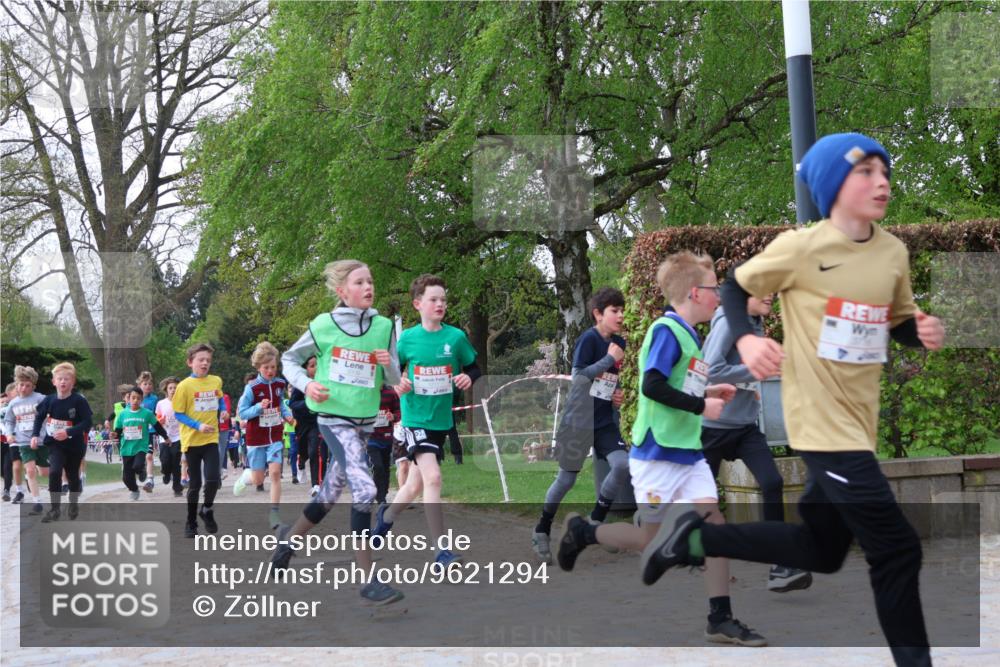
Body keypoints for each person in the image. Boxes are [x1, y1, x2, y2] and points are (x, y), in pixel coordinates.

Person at [641, 133, 945, 667]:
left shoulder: (892, 251)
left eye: (884, 172)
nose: (882, 182)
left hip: (858, 425)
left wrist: (916, 330)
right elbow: (734, 286)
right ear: (832, 186)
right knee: (897, 549)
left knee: (820, 552)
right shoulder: (801, 248)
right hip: (822, 423)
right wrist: (748, 338)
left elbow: (893, 320)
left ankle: (695, 540)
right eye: (866, 172)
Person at [557, 252, 766, 647]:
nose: (719, 293)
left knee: (715, 527)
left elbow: (677, 386)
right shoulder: (666, 331)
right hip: (656, 453)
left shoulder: (693, 335)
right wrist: (703, 405)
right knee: (650, 541)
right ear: (694, 292)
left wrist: (708, 390)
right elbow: (652, 385)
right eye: (713, 286)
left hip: (687, 453)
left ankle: (719, 618)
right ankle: (585, 532)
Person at [272, 259, 406, 609]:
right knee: (364, 489)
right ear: (342, 291)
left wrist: (387, 364)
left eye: (370, 281)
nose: (368, 287)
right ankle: (368, 581)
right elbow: (289, 360)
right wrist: (308, 383)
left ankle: (288, 542)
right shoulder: (323, 325)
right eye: (359, 282)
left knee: (331, 492)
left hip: (364, 422)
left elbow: (393, 378)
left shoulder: (383, 327)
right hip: (332, 419)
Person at [701, 293, 813, 593]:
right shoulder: (727, 324)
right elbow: (710, 369)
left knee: (772, 482)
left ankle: (779, 566)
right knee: (698, 499)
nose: (770, 295)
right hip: (711, 428)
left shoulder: (756, 324)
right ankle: (651, 525)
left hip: (744, 428)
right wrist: (755, 372)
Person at [371, 274, 481, 572]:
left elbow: (474, 366)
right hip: (414, 418)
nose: (440, 304)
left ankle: (386, 518)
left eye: (443, 299)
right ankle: (441, 552)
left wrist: (468, 376)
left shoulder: (455, 338)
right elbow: (387, 373)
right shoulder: (407, 339)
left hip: (441, 420)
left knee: (414, 485)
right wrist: (398, 383)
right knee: (433, 478)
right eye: (434, 299)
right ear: (418, 304)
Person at [531, 287, 629, 565]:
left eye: (622, 310)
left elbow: (606, 380)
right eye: (614, 310)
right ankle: (541, 528)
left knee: (622, 465)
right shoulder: (588, 339)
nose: (620, 315)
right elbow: (579, 378)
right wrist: (610, 358)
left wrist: (616, 394)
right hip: (579, 420)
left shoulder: (619, 341)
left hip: (604, 421)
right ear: (598, 314)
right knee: (567, 479)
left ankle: (594, 523)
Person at [235, 341, 294, 530]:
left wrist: (287, 415)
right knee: (258, 479)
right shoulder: (251, 388)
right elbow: (242, 413)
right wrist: (259, 408)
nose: (270, 370)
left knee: (276, 473)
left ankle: (274, 513)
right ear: (259, 367)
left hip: (275, 435)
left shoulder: (279, 384)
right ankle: (246, 476)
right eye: (266, 367)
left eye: (273, 367)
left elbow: (281, 404)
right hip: (256, 438)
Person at [172, 343, 228, 538]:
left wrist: (224, 410)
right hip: (191, 441)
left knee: (213, 479)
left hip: (211, 438)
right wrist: (198, 425)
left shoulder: (216, 381)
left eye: (208, 360)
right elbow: (178, 414)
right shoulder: (184, 386)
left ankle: (207, 509)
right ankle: (191, 522)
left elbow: (219, 397)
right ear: (190, 362)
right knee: (195, 485)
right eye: (201, 360)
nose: (205, 363)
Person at [31, 362, 92, 522]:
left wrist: (68, 432)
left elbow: (87, 423)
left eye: (67, 379)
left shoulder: (79, 401)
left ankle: (73, 504)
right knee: (55, 471)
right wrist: (35, 435)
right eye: (60, 379)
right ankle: (54, 509)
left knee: (72, 476)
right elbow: (39, 417)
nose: (63, 382)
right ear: (54, 382)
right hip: (55, 444)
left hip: (74, 445)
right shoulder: (49, 400)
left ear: (73, 382)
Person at [3, 367, 47, 513]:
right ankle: (37, 502)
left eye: (28, 385)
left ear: (33, 386)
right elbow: (9, 421)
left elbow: (51, 414)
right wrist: (9, 434)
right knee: (30, 470)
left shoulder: (40, 398)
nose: (24, 388)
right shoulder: (13, 403)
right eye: (21, 384)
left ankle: (65, 474)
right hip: (23, 441)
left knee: (45, 472)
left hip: (41, 441)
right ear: (17, 385)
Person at [114, 386, 168, 500]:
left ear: (141, 400)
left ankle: (141, 469)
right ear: (128, 399)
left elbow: (157, 426)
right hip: (126, 448)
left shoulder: (146, 413)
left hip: (140, 446)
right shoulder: (123, 414)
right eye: (133, 398)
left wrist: (166, 437)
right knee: (126, 478)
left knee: (137, 465)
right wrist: (114, 434)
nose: (135, 401)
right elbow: (118, 430)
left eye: (138, 398)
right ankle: (134, 490)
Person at [288, 357, 328, 497]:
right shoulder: (301, 384)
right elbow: (292, 404)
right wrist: (308, 403)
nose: (315, 368)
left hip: (318, 423)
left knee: (316, 452)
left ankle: (317, 484)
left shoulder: (325, 382)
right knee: (304, 452)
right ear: (306, 369)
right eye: (312, 365)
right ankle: (301, 462)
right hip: (302, 424)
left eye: (318, 364)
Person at [368, 385, 400, 505]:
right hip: (370, 437)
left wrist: (393, 416)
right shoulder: (366, 391)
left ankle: (383, 495)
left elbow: (399, 411)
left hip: (386, 436)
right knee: (378, 466)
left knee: (385, 467)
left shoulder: (391, 392)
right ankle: (378, 496)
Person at [156, 377, 184, 497]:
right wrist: (160, 420)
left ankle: (177, 488)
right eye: (170, 388)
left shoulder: (183, 402)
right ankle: (166, 473)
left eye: (175, 388)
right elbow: (157, 418)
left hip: (178, 437)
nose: (173, 390)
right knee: (165, 460)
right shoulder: (161, 403)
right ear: (166, 390)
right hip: (165, 437)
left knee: (176, 463)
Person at [137, 371, 159, 493]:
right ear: (140, 385)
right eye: (145, 384)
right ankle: (141, 470)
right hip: (136, 432)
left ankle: (150, 480)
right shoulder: (135, 398)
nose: (148, 386)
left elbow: (157, 414)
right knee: (138, 457)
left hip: (150, 431)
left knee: (149, 455)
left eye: (150, 384)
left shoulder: (154, 399)